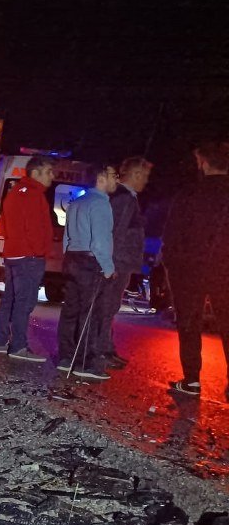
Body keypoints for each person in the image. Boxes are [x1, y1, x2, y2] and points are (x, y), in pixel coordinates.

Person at [162, 142, 229, 398]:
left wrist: (170, 264)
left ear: (203, 163)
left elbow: (173, 234)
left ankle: (192, 380)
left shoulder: (189, 194)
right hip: (225, 269)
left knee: (189, 323)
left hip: (190, 270)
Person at [56, 163, 119, 379]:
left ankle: (66, 357)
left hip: (72, 258)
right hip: (90, 262)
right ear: (101, 178)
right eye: (113, 175)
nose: (116, 179)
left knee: (70, 310)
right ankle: (86, 363)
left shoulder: (77, 202)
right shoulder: (101, 204)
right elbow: (100, 241)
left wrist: (67, 256)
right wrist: (108, 268)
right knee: (91, 313)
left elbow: (67, 236)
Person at [0, 154, 56, 361]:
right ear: (35, 173)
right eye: (48, 172)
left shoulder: (15, 191)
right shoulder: (35, 195)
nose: (52, 176)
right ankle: (18, 346)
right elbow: (35, 227)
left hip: (13, 254)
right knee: (24, 302)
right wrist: (39, 251)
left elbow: (3, 225)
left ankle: (1, 341)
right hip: (29, 256)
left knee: (9, 299)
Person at [96, 157, 152, 369]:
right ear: (135, 174)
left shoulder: (123, 196)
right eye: (145, 176)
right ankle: (100, 350)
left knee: (110, 307)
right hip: (117, 263)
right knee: (107, 307)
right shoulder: (124, 198)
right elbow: (116, 233)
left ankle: (106, 348)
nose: (146, 181)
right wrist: (110, 263)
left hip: (118, 262)